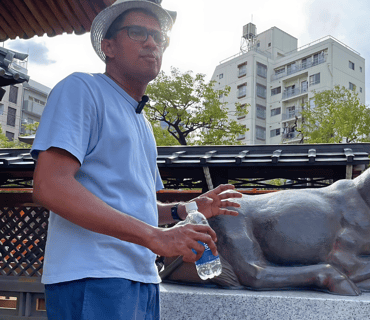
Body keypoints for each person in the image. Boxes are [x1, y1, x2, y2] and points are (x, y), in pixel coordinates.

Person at [30, 0, 241, 319]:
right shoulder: (82, 89)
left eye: (160, 38)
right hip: (93, 277)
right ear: (108, 46)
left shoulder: (143, 122)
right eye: (138, 32)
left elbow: (138, 208)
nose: (152, 43)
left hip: (143, 278)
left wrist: (187, 209)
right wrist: (158, 238)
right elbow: (50, 185)